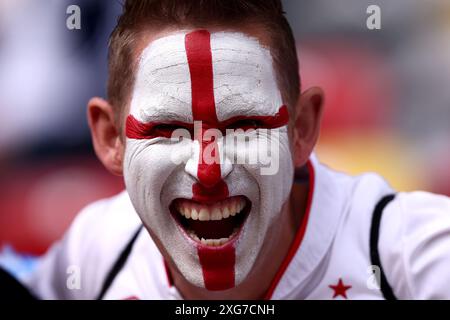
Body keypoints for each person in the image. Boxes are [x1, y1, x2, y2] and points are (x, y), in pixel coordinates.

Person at [23, 0, 450, 300]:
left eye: (245, 125)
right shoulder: (96, 251)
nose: (208, 170)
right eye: (169, 130)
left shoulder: (408, 259)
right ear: (111, 139)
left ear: (301, 128)